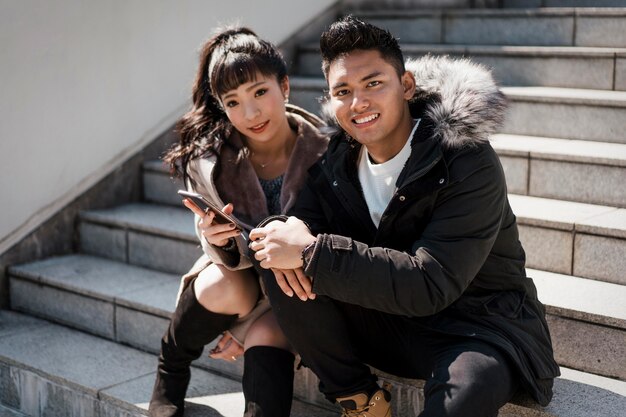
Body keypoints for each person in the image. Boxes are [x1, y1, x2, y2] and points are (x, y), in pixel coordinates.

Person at [249, 16, 560, 417]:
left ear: (406, 85)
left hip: (475, 326)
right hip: (389, 320)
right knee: (278, 259)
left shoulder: (465, 159)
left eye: (373, 84)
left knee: (464, 395)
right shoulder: (336, 159)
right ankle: (361, 402)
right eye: (343, 90)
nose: (358, 102)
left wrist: (313, 251)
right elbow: (297, 224)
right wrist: (273, 231)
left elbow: (431, 282)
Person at [149, 27, 328, 417]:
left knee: (267, 332)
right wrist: (219, 240)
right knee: (223, 283)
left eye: (260, 92)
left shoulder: (327, 152)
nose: (250, 114)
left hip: (300, 286)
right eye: (233, 101)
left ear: (284, 85)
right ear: (221, 106)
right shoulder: (212, 162)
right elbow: (225, 255)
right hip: (243, 278)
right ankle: (170, 371)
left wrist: (244, 330)